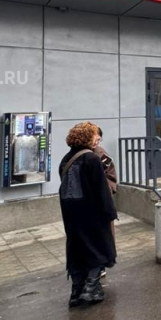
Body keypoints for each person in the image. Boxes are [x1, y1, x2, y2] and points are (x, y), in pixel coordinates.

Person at [58, 121, 117, 308]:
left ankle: (76, 292)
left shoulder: (66, 159)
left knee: (77, 251)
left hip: (71, 215)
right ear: (87, 137)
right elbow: (101, 189)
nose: (98, 139)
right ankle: (90, 289)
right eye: (95, 135)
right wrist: (110, 213)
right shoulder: (91, 159)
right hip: (92, 213)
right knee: (99, 249)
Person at [93, 127, 117, 281]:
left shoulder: (100, 154)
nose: (96, 142)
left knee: (101, 234)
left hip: (100, 202)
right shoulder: (79, 154)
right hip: (85, 204)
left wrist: (105, 189)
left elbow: (111, 175)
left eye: (98, 139)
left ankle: (101, 265)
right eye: (94, 138)